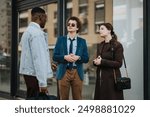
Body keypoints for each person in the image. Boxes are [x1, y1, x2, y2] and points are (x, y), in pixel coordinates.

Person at [19, 7, 53, 98]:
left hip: (29, 74)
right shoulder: (37, 34)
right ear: (40, 17)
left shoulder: (27, 32)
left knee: (31, 98)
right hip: (35, 75)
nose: (46, 20)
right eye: (45, 18)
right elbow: (38, 59)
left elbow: (29, 54)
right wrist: (42, 83)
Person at [53, 16, 89, 100]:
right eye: (68, 24)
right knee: (63, 99)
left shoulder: (82, 41)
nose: (70, 26)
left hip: (77, 72)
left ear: (77, 28)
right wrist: (65, 57)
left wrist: (78, 58)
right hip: (63, 72)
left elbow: (86, 58)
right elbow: (54, 56)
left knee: (78, 99)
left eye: (73, 25)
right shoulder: (60, 40)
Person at [93, 23, 124, 100]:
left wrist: (102, 62)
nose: (99, 30)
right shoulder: (100, 45)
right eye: (99, 29)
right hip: (100, 79)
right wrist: (95, 62)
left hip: (112, 80)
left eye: (102, 29)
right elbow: (98, 59)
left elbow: (119, 63)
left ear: (109, 30)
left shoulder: (117, 45)